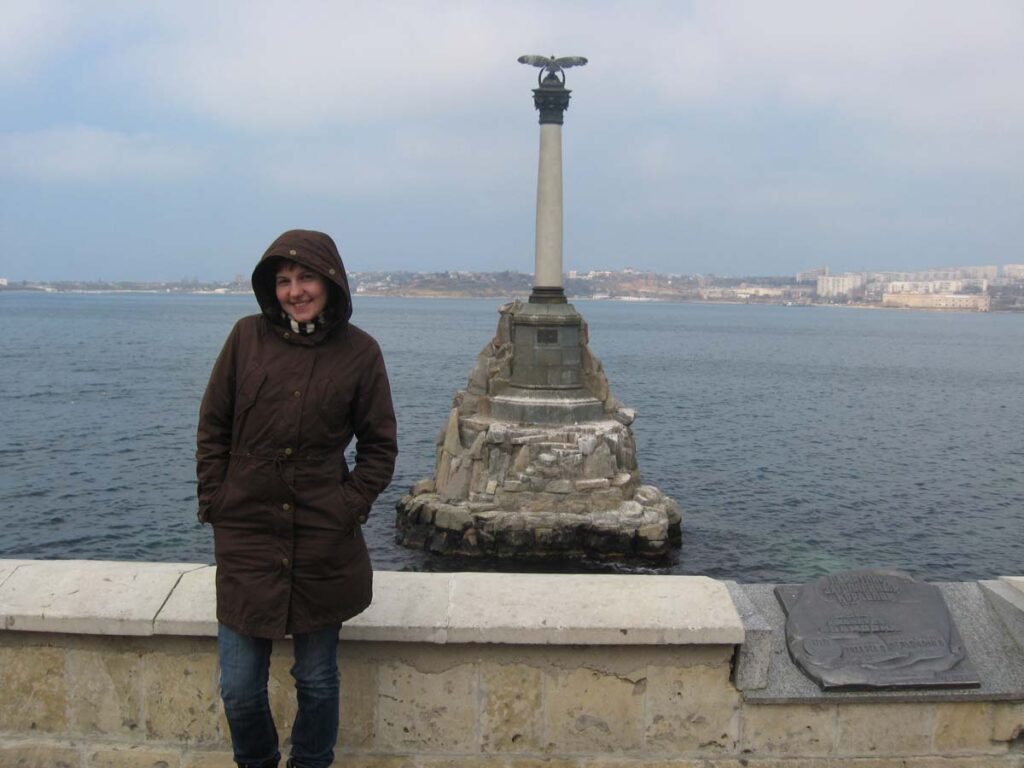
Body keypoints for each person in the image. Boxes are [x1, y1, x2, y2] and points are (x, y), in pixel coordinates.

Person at [196, 229, 398, 768]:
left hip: (322, 537)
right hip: (246, 533)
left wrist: (347, 506)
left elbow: (379, 447)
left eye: (306, 277)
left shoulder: (360, 352)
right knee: (239, 687)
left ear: (331, 281)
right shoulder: (245, 338)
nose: (295, 291)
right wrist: (216, 499)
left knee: (316, 679)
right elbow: (213, 427)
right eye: (283, 280)